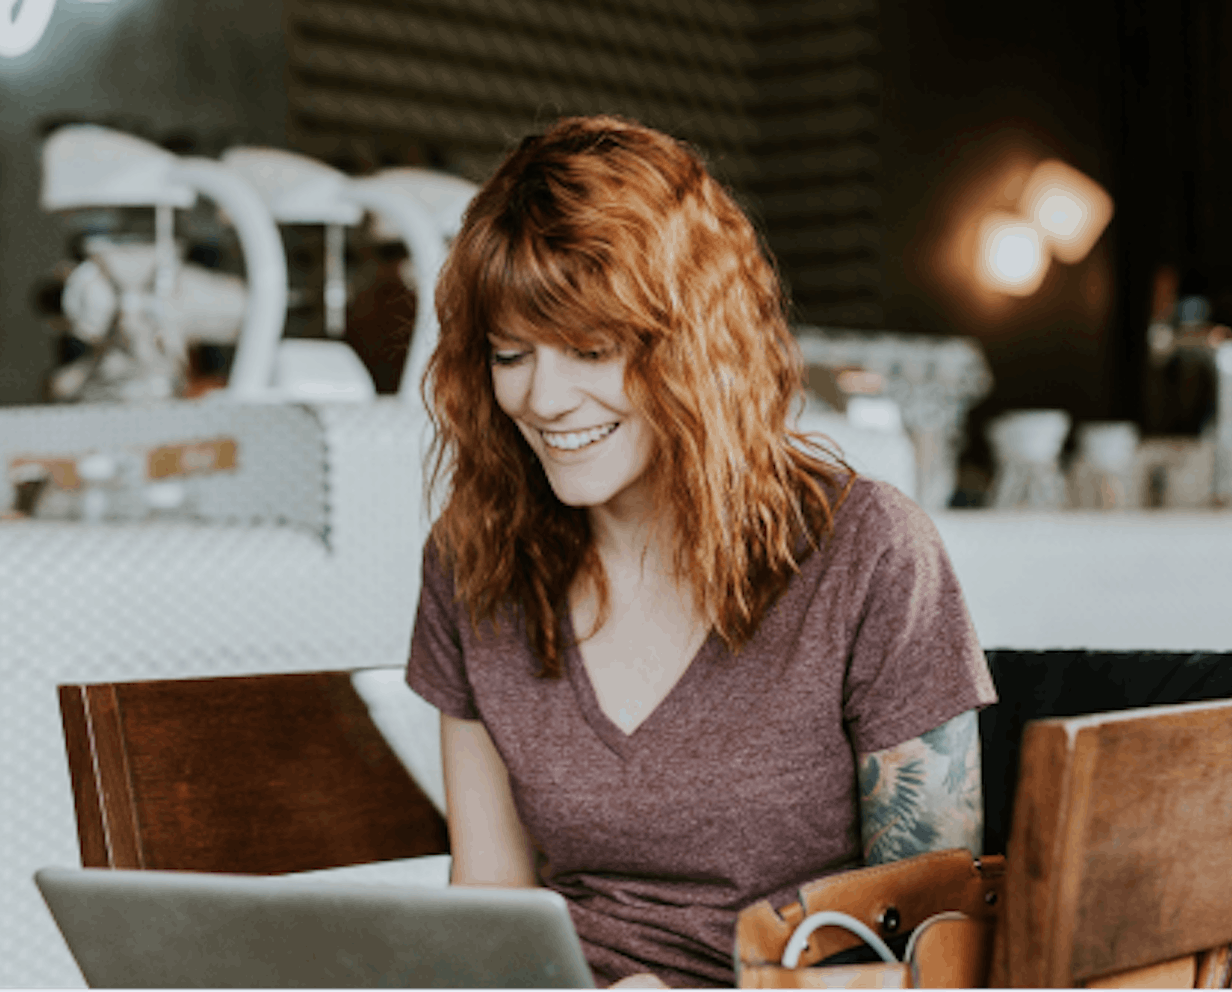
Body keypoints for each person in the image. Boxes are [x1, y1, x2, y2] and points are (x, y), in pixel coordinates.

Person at [403, 116, 997, 990]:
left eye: (593, 349)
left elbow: (941, 953)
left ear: (693, 346)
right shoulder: (474, 563)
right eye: (510, 353)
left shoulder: (868, 553)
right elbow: (489, 911)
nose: (543, 398)